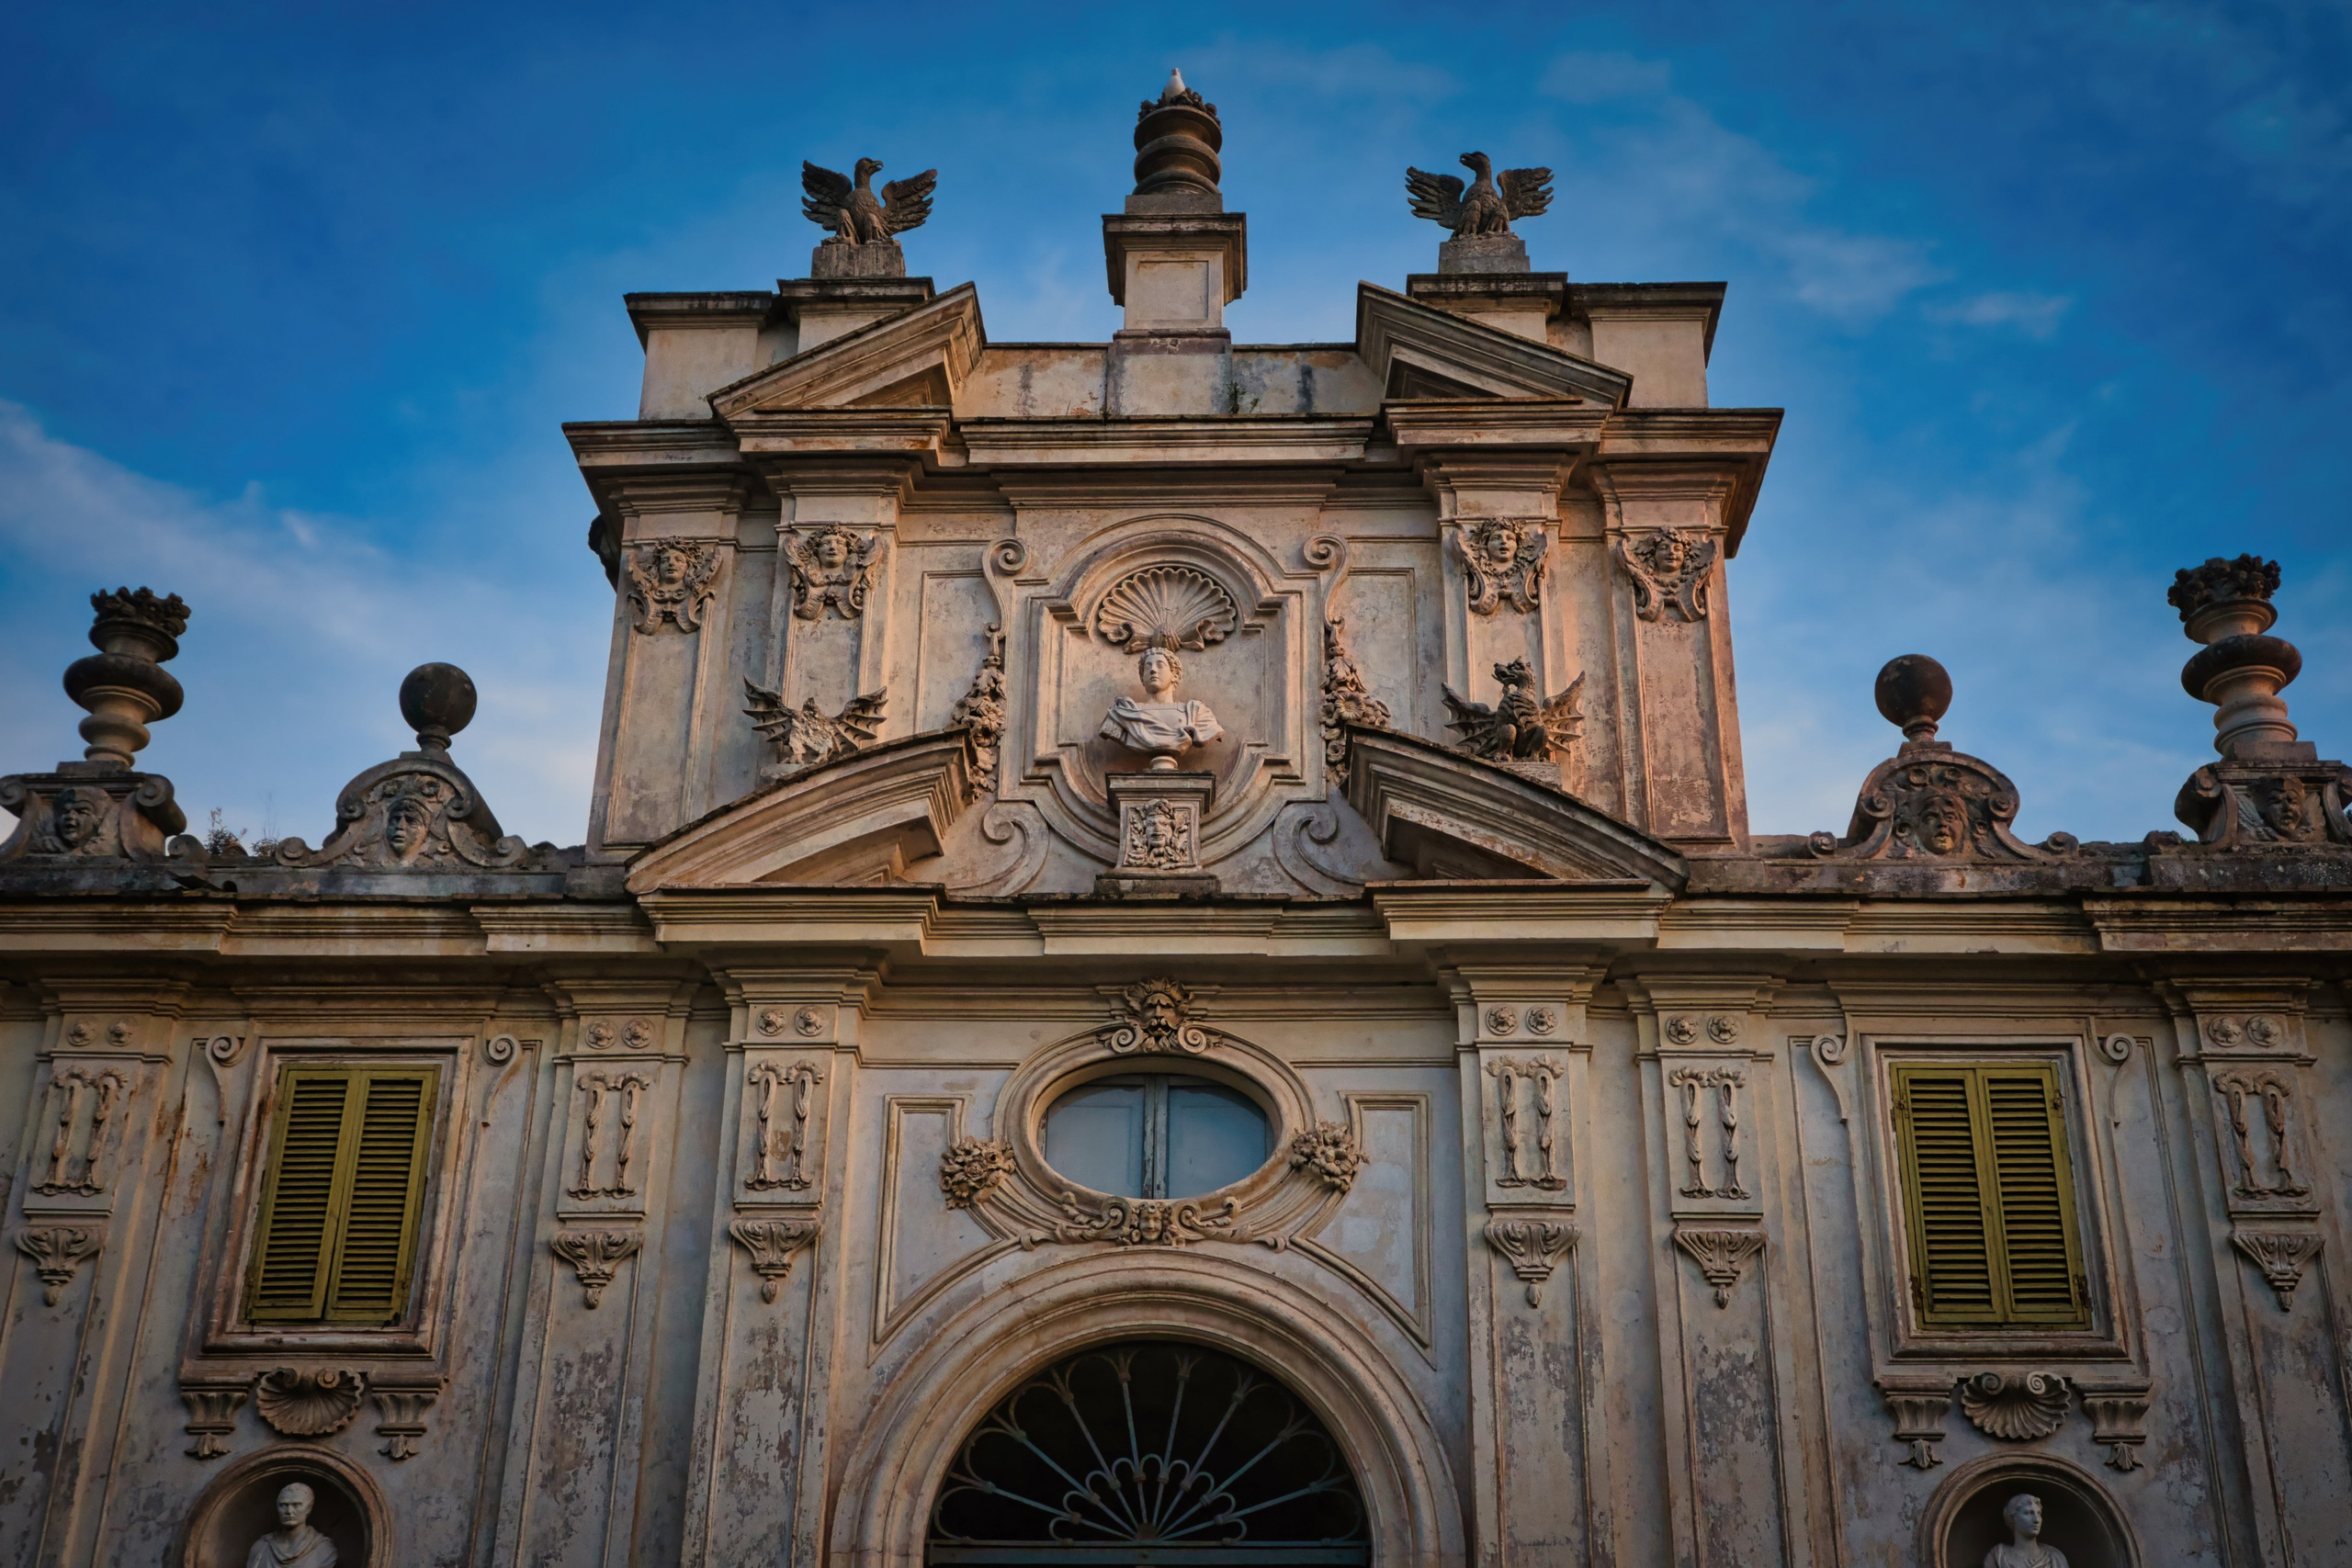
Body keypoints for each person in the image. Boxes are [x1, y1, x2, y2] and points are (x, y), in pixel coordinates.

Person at [1098, 644, 1222, 771]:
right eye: (1148, 666)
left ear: (1174, 675)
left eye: (1160, 665)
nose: (1153, 670)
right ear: (1142, 677)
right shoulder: (1124, 712)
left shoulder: (1195, 712)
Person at [246, 1482, 337, 1568]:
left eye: (296, 1505)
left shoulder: (323, 1550)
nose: (289, 1511)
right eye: (283, 1505)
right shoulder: (261, 1548)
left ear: (308, 1508)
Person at [1984, 1492, 2067, 1568]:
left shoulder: (2055, 1557)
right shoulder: (1998, 1556)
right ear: (2012, 1518)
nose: (2036, 1520)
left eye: (2038, 1514)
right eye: (2028, 1513)